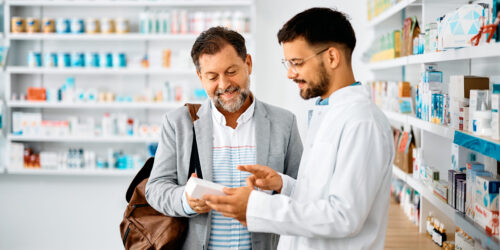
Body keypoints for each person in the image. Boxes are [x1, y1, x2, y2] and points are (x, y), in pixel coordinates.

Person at [203, 8, 395, 250]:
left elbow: (344, 216)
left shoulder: (363, 122)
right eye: (288, 63)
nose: (290, 73)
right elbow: (320, 196)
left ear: (332, 57)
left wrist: (255, 207)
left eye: (297, 63)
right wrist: (283, 185)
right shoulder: (328, 111)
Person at [145, 26, 303, 250]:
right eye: (212, 76)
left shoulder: (284, 122)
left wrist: (277, 186)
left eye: (231, 71)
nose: (224, 84)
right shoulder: (178, 123)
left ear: (248, 64)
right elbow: (156, 188)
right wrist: (186, 201)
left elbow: (304, 190)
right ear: (200, 77)